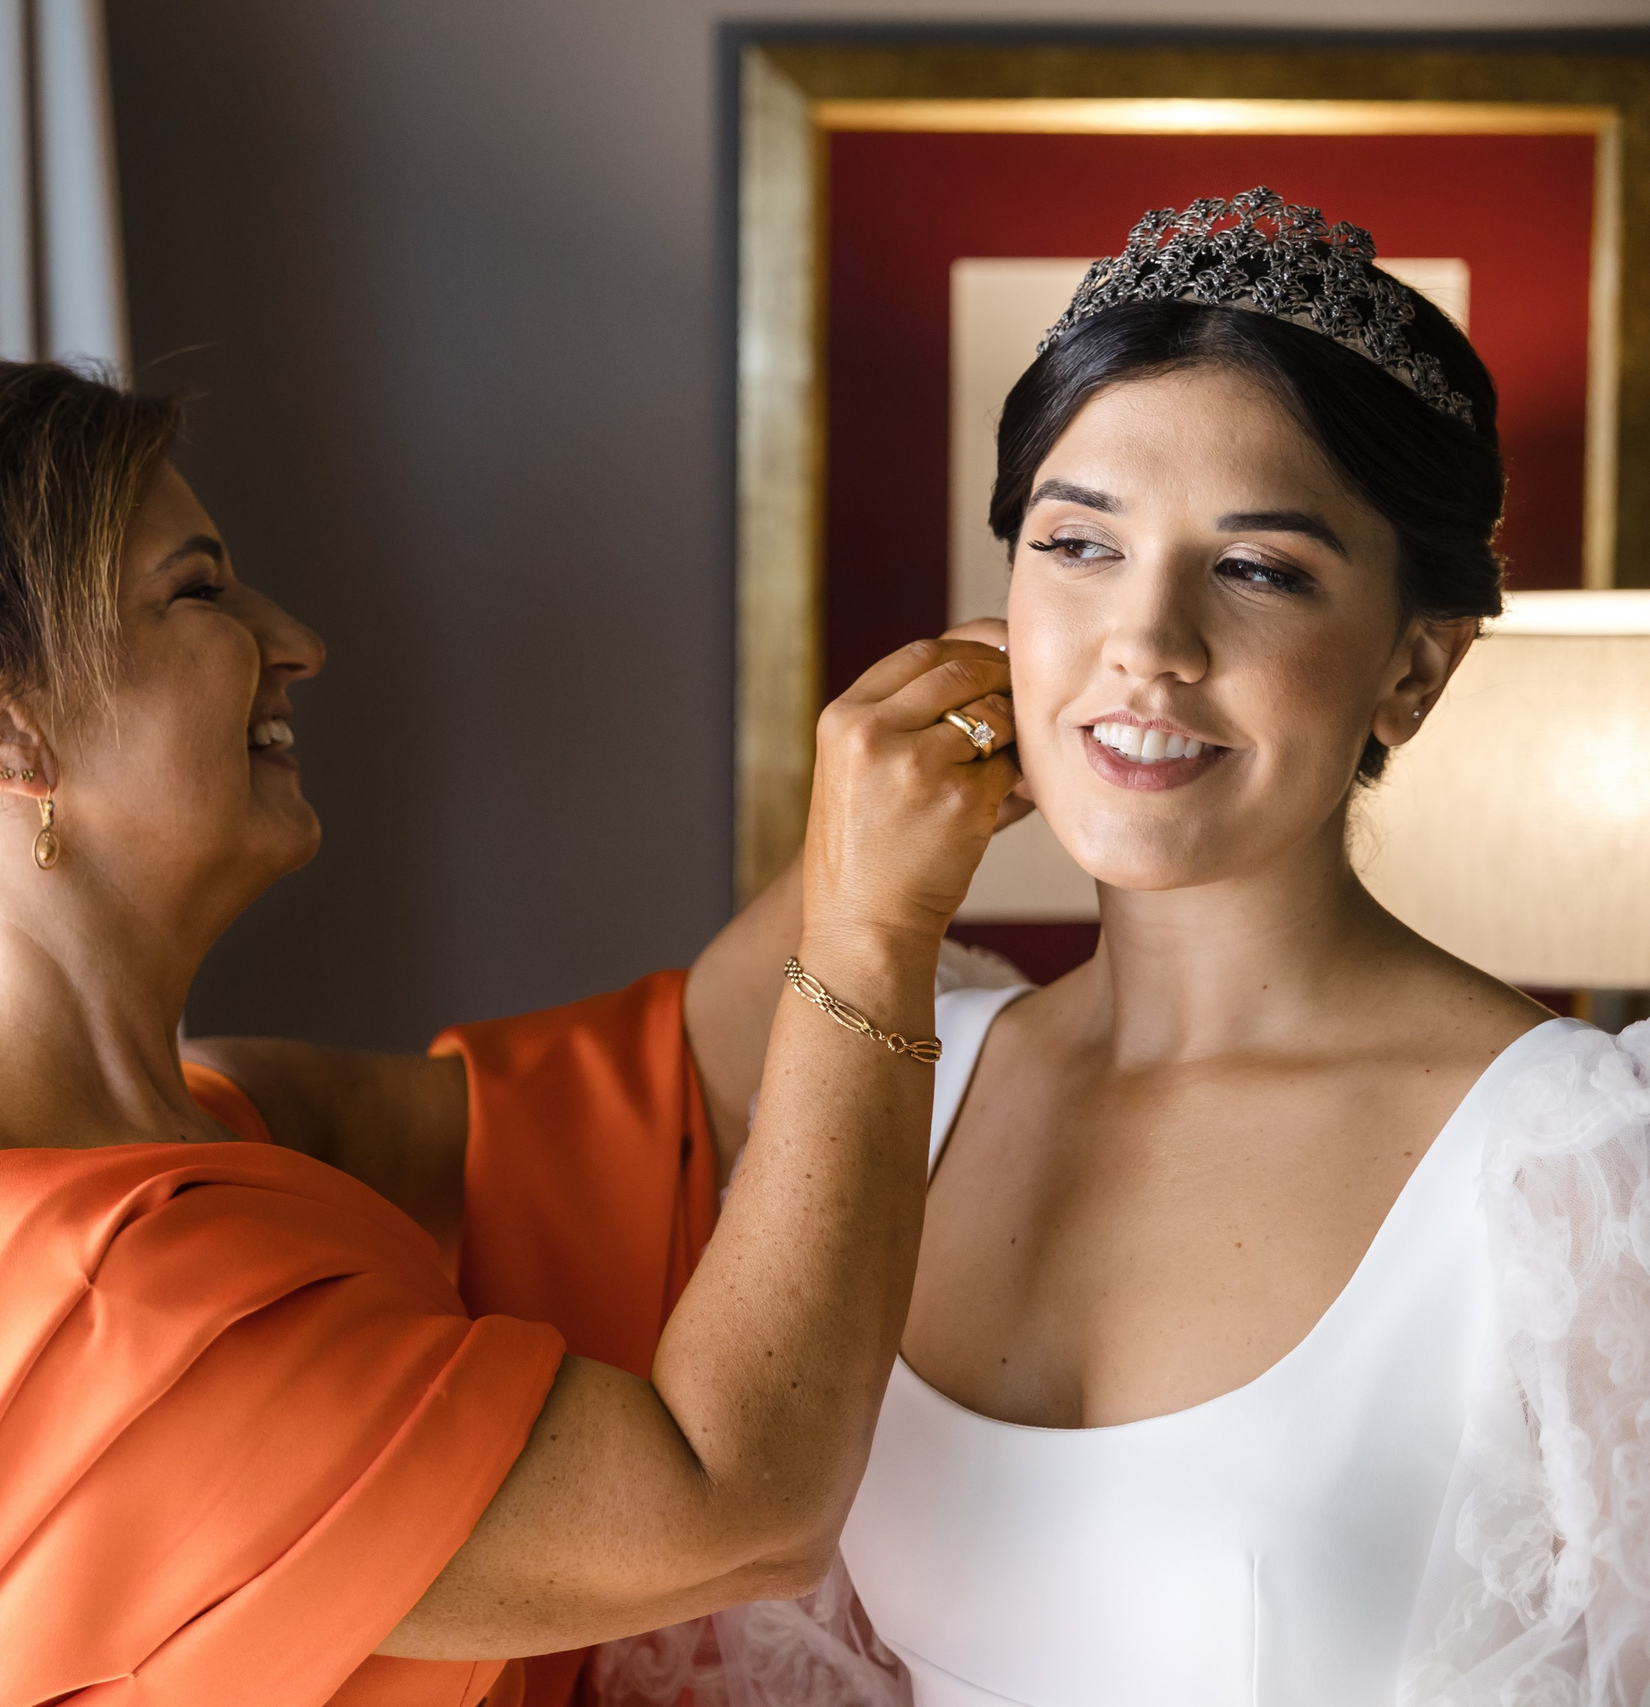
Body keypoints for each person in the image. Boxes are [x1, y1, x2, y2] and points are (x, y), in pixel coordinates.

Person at [596, 189, 1650, 1707]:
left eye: (1259, 569)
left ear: (1413, 670)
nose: (1145, 642)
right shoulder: (905, 1067)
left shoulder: (1573, 1169)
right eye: (1078, 545)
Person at [0, 356, 1021, 1707]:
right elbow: (734, 1500)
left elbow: (660, 1097)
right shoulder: (113, 1322)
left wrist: (935, 740)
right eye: (199, 591)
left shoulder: (217, 1125)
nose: (296, 642)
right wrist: (871, 930)